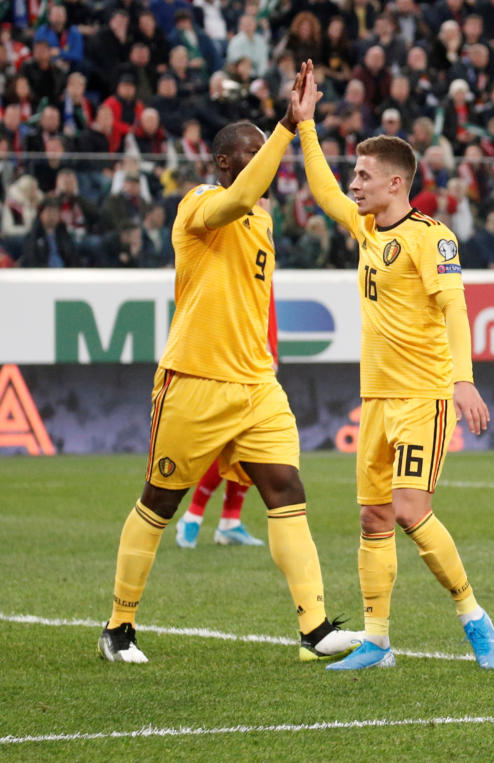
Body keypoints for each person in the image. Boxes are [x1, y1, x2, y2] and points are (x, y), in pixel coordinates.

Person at [98, 62, 361, 664]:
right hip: (194, 380)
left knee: (286, 488)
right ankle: (119, 626)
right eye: (252, 153)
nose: (263, 162)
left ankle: (315, 629)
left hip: (256, 385)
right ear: (223, 162)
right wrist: (287, 127)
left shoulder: (263, 219)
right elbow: (241, 193)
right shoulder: (200, 203)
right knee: (160, 501)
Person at [294, 62, 494, 672]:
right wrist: (305, 126)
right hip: (377, 398)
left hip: (424, 397)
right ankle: (378, 642)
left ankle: (473, 616)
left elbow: (456, 308)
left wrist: (463, 380)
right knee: (373, 516)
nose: (353, 183)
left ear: (395, 183)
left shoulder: (431, 238)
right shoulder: (365, 226)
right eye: (354, 174)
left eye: (363, 175)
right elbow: (323, 191)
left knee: (411, 509)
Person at [177, 290, 281, 548]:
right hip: (236, 360)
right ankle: (193, 515)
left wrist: (270, 352)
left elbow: (266, 308)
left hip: (257, 359)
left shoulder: (262, 269)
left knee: (250, 445)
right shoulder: (234, 270)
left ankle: (229, 521)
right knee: (230, 443)